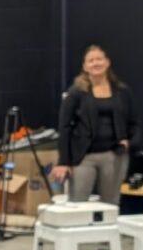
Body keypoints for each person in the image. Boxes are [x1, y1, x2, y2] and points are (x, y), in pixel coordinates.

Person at [52, 45, 138, 204]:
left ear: (107, 62)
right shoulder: (76, 92)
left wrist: (128, 141)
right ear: (85, 66)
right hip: (84, 157)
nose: (95, 63)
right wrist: (63, 162)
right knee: (78, 203)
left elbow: (133, 121)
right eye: (91, 61)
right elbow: (64, 127)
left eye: (99, 59)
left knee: (110, 204)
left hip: (113, 156)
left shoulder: (122, 91)